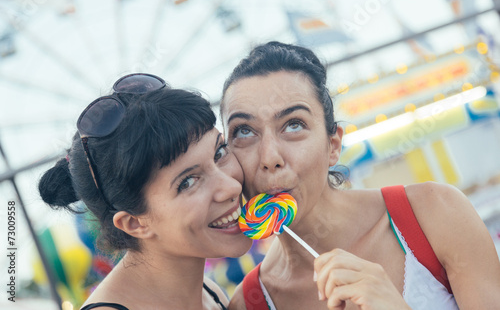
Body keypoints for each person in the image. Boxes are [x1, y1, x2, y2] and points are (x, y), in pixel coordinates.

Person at [219, 42, 500, 309]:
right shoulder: (251, 303)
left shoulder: (434, 211)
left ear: (333, 146)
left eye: (293, 125)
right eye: (244, 131)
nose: (270, 158)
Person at [38, 73, 253, 310]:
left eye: (219, 153)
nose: (231, 187)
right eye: (188, 182)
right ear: (134, 223)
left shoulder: (210, 294)